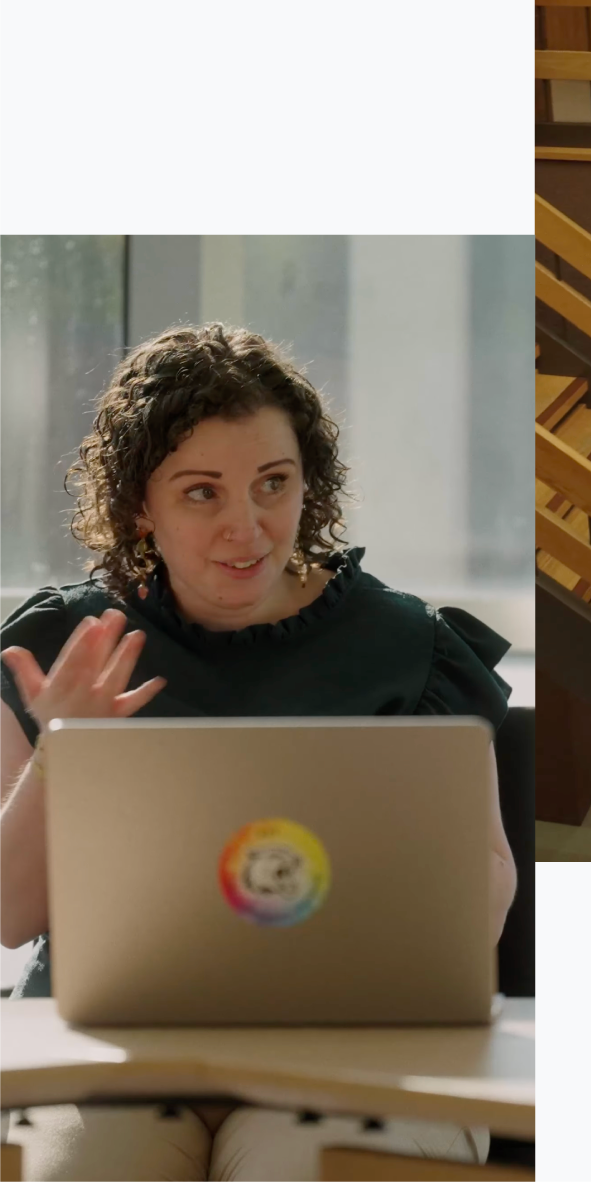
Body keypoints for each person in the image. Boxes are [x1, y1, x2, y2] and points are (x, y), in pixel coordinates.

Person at [0, 324, 518, 1181]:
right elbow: (9, 917)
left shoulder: (411, 646)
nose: (248, 529)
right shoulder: (63, 642)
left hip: (361, 1044)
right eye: (201, 493)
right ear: (140, 506)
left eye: (273, 484)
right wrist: (62, 756)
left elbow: (488, 875)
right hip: (105, 1046)